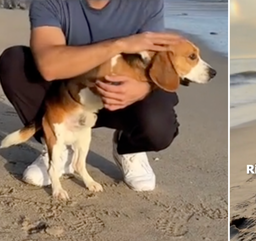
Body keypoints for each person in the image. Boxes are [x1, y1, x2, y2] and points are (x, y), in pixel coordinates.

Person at [0, 0, 184, 191]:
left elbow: (159, 62)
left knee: (158, 122)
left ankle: (130, 147)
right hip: (70, 97)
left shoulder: (147, 3)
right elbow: (49, 66)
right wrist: (119, 44)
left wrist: (143, 88)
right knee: (15, 62)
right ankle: (60, 146)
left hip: (121, 98)